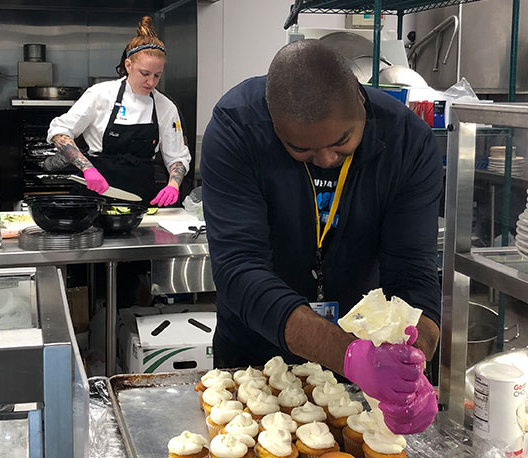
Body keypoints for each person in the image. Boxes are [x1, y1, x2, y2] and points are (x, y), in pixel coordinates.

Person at [201, 40, 441, 434]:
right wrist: (345, 354)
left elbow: (413, 269)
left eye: (342, 142)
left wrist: (414, 362)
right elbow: (239, 270)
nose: (327, 158)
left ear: (361, 105)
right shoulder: (236, 128)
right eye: (301, 149)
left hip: (368, 358)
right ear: (274, 124)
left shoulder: (407, 142)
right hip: (255, 353)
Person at [42, 16, 191, 207]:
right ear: (128, 65)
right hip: (95, 195)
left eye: (157, 75)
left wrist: (173, 185)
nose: (151, 82)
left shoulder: (165, 106)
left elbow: (177, 156)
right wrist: (87, 169)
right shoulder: (100, 94)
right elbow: (60, 132)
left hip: (139, 199)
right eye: (145, 74)